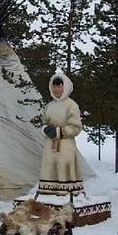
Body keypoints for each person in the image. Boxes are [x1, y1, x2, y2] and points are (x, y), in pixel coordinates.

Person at [38, 70, 84, 200]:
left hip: (65, 145)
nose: (56, 88)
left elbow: (76, 127)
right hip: (50, 145)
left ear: (65, 86)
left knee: (64, 166)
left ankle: (67, 196)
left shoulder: (71, 105)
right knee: (50, 167)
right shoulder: (49, 106)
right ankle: (48, 197)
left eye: (59, 85)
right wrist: (46, 129)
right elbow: (44, 122)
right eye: (54, 86)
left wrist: (59, 132)